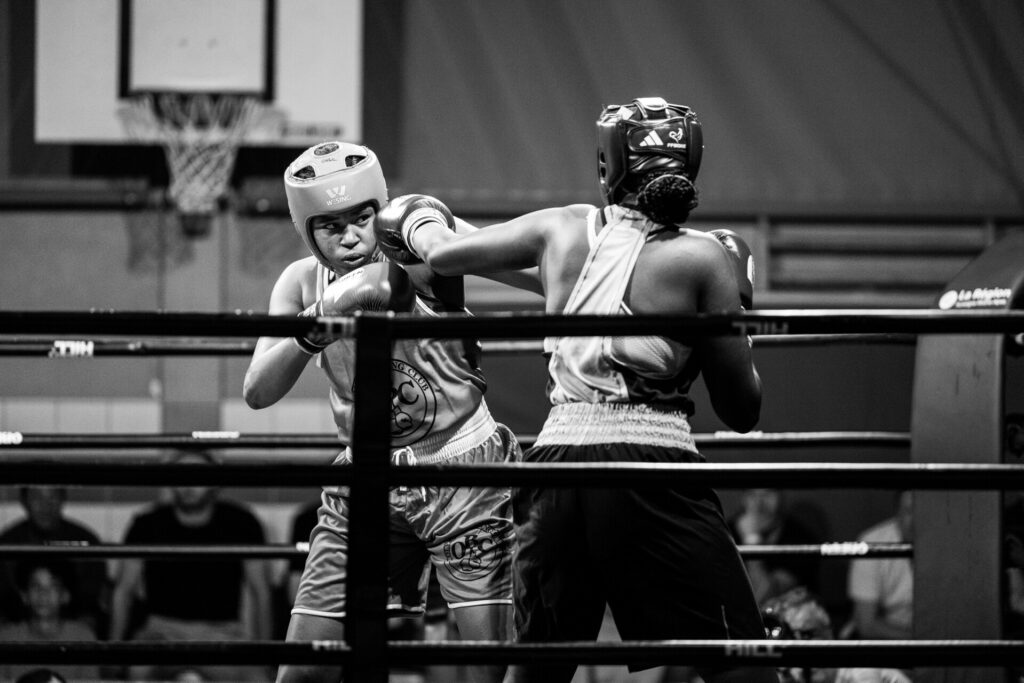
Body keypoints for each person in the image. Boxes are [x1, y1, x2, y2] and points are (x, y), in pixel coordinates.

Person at [373, 96, 775, 683]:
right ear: (691, 165)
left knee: (537, 674)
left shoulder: (557, 229)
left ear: (607, 167)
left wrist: (416, 218)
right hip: (650, 466)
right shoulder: (704, 258)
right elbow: (743, 410)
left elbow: (435, 255)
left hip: (557, 467)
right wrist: (736, 315)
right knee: (746, 667)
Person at [242, 140, 524, 683]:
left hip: (461, 471)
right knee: (303, 674)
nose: (350, 236)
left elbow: (525, 260)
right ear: (307, 230)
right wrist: (329, 309)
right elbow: (257, 390)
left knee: (485, 668)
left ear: (381, 209)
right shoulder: (301, 282)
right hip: (365, 480)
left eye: (362, 218)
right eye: (330, 225)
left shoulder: (420, 247)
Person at [108, 449, 273, 682]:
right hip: (160, 634)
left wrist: (266, 654)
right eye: (181, 475)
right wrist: (112, 653)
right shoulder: (146, 524)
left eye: (198, 476)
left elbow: (261, 592)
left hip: (223, 634)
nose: (189, 485)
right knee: (138, 669)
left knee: (257, 678)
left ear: (215, 484)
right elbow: (122, 591)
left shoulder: (242, 522)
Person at [0, 485, 109, 635]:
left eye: (53, 497)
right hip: (17, 627)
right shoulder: (8, 543)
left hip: (73, 627)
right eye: (37, 497)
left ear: (63, 499)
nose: (46, 505)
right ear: (24, 501)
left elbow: (91, 600)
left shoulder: (85, 541)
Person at [0, 560, 100, 682]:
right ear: (24, 595)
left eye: (53, 586)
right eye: (36, 586)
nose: (43, 594)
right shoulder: (6, 638)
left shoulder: (83, 637)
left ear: (65, 595)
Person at [730, 488, 823, 604]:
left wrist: (751, 539)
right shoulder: (726, 534)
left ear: (781, 495)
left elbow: (764, 598)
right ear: (743, 498)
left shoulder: (799, 539)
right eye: (752, 495)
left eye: (767, 494)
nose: (759, 505)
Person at [846, 491, 913, 640]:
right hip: (881, 645)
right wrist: (920, 640)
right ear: (897, 514)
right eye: (909, 511)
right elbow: (867, 624)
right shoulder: (871, 543)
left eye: (922, 512)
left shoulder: (945, 545)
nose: (916, 519)